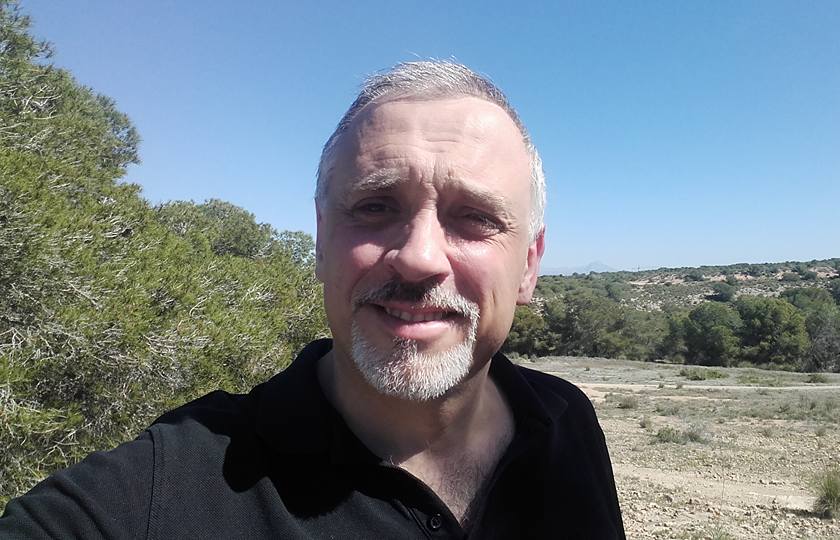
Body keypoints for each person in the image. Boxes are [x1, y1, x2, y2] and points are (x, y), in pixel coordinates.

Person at [0, 60, 625, 539]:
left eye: (475, 218)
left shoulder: (566, 420)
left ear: (529, 266)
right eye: (375, 206)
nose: (419, 257)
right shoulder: (163, 490)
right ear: (322, 242)